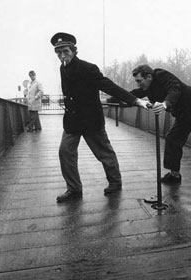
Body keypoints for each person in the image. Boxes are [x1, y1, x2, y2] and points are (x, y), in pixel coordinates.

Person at [50, 32, 150, 203]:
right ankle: (74, 189)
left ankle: (115, 183)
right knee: (65, 152)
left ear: (74, 50)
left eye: (65, 51)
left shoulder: (88, 68)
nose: (62, 56)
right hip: (72, 121)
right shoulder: (63, 68)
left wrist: (134, 100)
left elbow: (108, 86)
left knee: (104, 153)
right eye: (58, 52)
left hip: (90, 120)